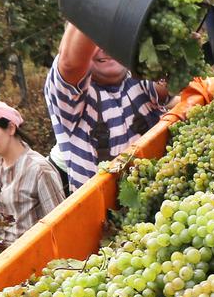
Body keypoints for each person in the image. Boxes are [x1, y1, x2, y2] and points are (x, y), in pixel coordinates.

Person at [44, 24, 169, 192]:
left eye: (113, 35)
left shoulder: (138, 73)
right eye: (96, 39)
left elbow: (169, 80)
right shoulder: (70, 98)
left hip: (164, 190)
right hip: (103, 207)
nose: (106, 46)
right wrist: (92, 9)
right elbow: (69, 64)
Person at [0, 100, 65, 244]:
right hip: (4, 253)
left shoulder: (39, 169)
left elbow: (60, 224)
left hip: (34, 252)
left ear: (10, 128)